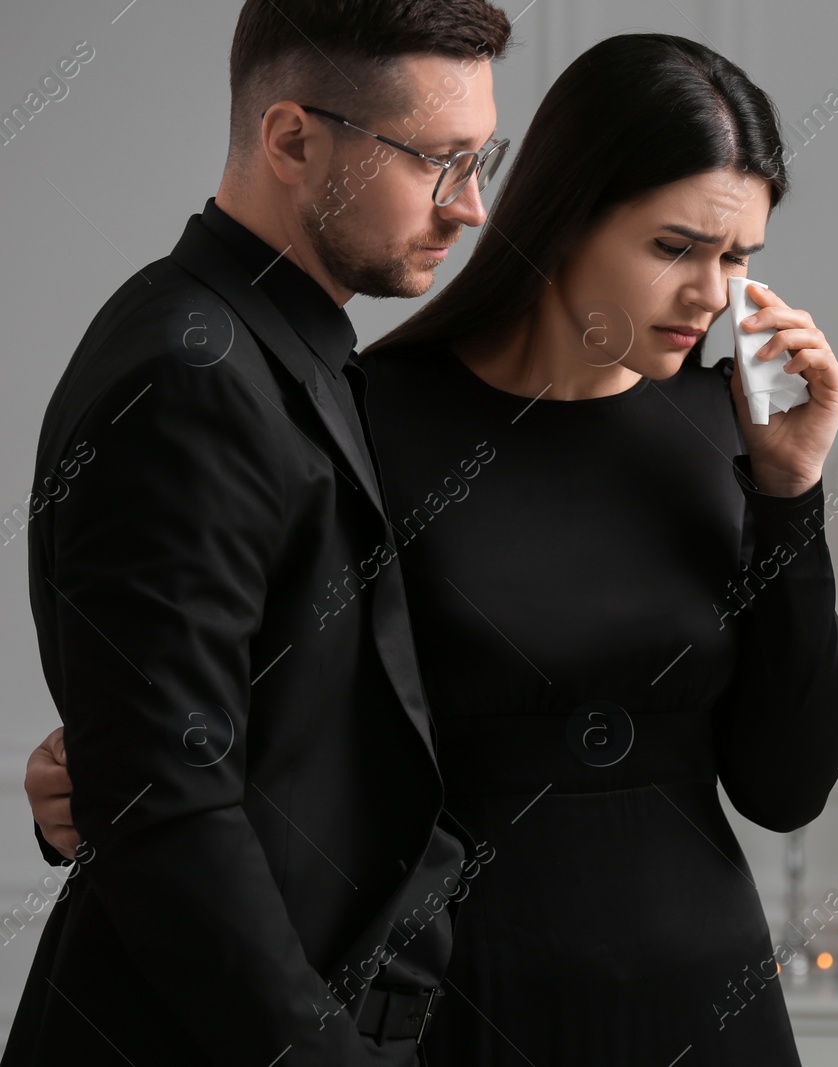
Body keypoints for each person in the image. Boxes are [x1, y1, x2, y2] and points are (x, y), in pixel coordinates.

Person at [27, 30, 838, 1066]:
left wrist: (791, 490)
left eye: (740, 259)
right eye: (675, 247)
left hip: (705, 990)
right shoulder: (366, 416)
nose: (714, 297)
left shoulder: (729, 431)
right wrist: (94, 782)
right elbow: (261, 718)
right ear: (564, 217)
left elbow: (787, 783)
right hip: (451, 993)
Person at [8, 1, 513, 1063]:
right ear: (292, 139)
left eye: (483, 159)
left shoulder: (277, 346)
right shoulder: (189, 374)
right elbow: (169, 808)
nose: (469, 207)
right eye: (439, 161)